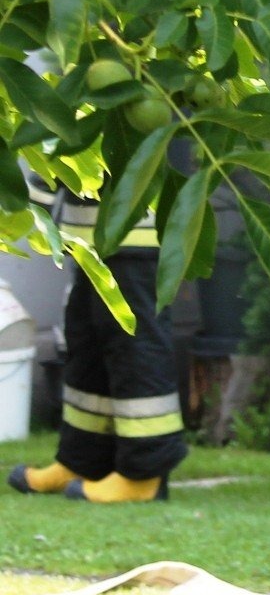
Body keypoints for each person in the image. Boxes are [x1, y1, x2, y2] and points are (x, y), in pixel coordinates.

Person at [8, 181, 186, 503]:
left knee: (136, 350)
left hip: (135, 229)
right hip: (91, 237)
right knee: (87, 348)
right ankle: (83, 460)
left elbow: (57, 138)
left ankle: (145, 474)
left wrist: (27, 206)